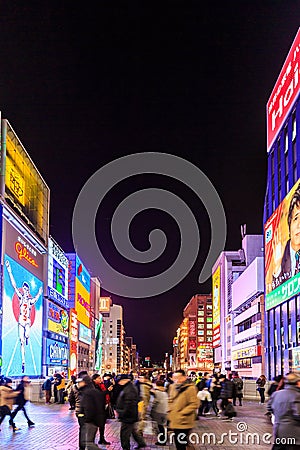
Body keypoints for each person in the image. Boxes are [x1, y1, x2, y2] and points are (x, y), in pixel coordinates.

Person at [5, 259, 43, 374]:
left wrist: (40, 292)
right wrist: (9, 270)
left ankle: (27, 337)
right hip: (21, 321)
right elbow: (14, 286)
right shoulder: (21, 298)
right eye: (25, 289)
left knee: (27, 335)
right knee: (21, 341)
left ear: (28, 291)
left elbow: (36, 298)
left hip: (27, 323)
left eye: (27, 290)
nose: (25, 291)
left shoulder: (30, 301)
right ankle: (23, 362)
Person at [272, 182, 300, 289]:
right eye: (296, 218)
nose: (299, 225)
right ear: (290, 224)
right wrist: (277, 267)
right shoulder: (281, 257)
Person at [167, 369, 199, 450]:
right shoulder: (172, 387)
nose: (176, 379)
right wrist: (170, 411)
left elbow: (195, 403)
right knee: (179, 442)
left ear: (184, 377)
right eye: (174, 377)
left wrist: (182, 413)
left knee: (181, 443)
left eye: (178, 377)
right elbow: (170, 400)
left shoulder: (190, 388)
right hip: (174, 419)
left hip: (185, 420)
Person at [267, 372, 300, 450]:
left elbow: (269, 407)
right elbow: (298, 414)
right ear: (298, 382)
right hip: (295, 435)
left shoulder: (276, 394)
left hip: (279, 431)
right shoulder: (297, 396)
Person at [115, 374, 147, 450]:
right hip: (129, 415)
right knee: (132, 431)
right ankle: (141, 443)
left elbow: (129, 404)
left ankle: (126, 448)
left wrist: (122, 413)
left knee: (124, 435)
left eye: (120, 381)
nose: (119, 382)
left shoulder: (129, 389)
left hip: (128, 416)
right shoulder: (127, 387)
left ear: (125, 380)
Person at [77, 374, 106, 450]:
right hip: (94, 420)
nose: (79, 384)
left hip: (90, 421)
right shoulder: (92, 391)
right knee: (88, 442)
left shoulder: (88, 393)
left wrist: (85, 418)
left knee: (88, 443)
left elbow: (89, 408)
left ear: (85, 382)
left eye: (80, 382)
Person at [69, 370, 88, 450]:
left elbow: (70, 398)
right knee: (85, 428)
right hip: (86, 410)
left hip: (78, 410)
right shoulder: (87, 386)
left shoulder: (73, 386)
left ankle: (82, 446)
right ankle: (83, 446)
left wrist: (74, 405)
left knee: (82, 427)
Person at [91, 373, 111, 445]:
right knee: (96, 425)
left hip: (102, 407)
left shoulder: (100, 385)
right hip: (96, 409)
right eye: (99, 378)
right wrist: (107, 391)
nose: (100, 379)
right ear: (94, 379)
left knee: (102, 424)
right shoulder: (93, 387)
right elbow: (99, 395)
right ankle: (92, 441)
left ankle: (101, 439)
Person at [150, 379, 168, 446]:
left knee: (160, 427)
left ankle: (162, 441)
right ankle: (163, 439)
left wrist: (151, 410)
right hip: (165, 411)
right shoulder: (165, 392)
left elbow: (154, 402)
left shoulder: (157, 392)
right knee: (162, 427)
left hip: (159, 412)